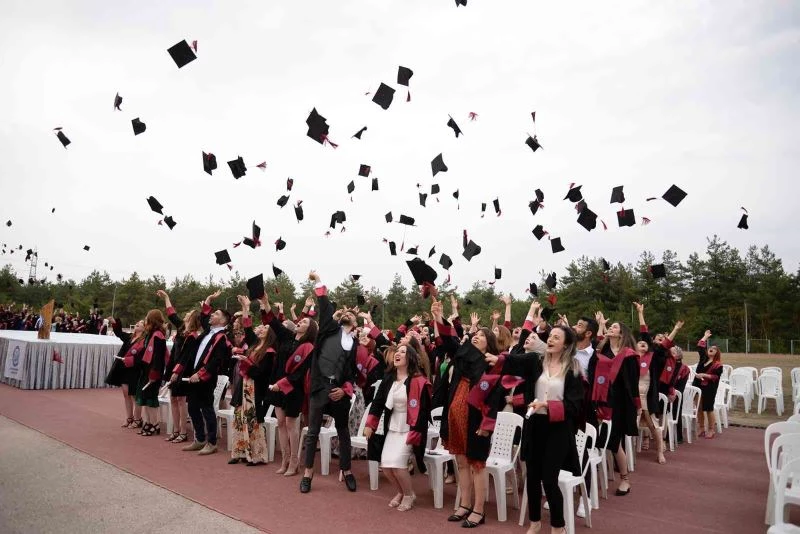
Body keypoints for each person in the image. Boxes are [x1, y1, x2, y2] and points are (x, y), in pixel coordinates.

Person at [485, 325, 584, 534]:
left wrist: (547, 405)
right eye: (550, 336)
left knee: (549, 478)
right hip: (535, 426)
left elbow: (574, 406)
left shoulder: (573, 369)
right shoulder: (535, 361)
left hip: (558, 429)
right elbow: (514, 361)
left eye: (556, 337)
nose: (551, 339)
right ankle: (535, 522)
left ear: (565, 345)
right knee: (532, 477)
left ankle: (558, 526)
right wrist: (498, 360)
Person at [433, 301, 504, 529]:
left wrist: (487, 423)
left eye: (481, 336)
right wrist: (440, 316)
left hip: (476, 420)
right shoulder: (463, 358)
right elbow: (449, 342)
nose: (476, 337)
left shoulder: (491, 365)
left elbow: (495, 398)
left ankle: (478, 510)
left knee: (477, 464)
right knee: (461, 462)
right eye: (475, 335)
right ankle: (464, 504)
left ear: (489, 343)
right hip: (455, 415)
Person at [300, 271, 359, 494]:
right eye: (342, 314)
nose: (346, 316)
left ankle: (347, 470)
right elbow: (324, 304)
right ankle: (308, 473)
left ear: (354, 324)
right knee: (313, 431)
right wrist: (318, 280)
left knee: (343, 431)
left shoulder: (354, 345)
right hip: (319, 387)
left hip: (338, 391)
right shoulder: (328, 329)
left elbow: (352, 374)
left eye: (350, 317)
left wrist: (344, 391)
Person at [364, 344, 432, 512]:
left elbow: (423, 411)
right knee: (386, 467)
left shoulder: (419, 381)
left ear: (409, 358)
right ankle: (401, 492)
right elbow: (378, 403)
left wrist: (416, 433)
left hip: (410, 427)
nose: (397, 354)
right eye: (397, 351)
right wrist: (370, 424)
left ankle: (409, 495)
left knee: (399, 465)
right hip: (393, 426)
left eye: (402, 351)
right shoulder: (389, 378)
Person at [263, 293, 318, 476]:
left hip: (293, 388)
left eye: (304, 323)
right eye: (300, 322)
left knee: (291, 424)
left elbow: (301, 373)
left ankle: (295, 461)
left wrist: (284, 383)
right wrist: (265, 302)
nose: (300, 323)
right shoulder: (287, 337)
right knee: (280, 422)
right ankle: (285, 459)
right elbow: (273, 322)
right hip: (277, 385)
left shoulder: (308, 347)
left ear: (309, 330)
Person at [172, 290, 231, 456]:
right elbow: (205, 316)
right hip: (193, 376)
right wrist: (209, 300)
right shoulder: (208, 332)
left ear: (224, 320)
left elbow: (216, 361)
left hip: (206, 378)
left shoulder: (222, 338)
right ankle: (199, 439)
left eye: (216, 314)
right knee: (192, 408)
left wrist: (201, 374)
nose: (211, 315)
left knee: (206, 409)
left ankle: (211, 442)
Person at [590, 313, 639, 496]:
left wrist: (636, 405)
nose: (612, 328)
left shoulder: (629, 356)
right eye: (611, 327)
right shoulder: (602, 352)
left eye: (615, 327)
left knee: (614, 441)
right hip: (600, 400)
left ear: (622, 334)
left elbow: (633, 384)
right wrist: (600, 325)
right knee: (596, 438)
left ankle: (625, 479)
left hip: (619, 403)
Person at [228, 295, 277, 465]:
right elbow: (248, 330)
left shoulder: (269, 352)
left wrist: (245, 362)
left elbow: (260, 373)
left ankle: (256, 454)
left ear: (270, 333)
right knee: (240, 417)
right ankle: (240, 451)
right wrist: (246, 308)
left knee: (253, 420)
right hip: (245, 386)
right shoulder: (256, 345)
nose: (261, 328)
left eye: (265, 327)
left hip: (256, 389)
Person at [158, 290, 202, 444]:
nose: (186, 315)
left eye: (189, 314)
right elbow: (171, 314)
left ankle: (183, 432)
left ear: (193, 319)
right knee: (173, 399)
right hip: (174, 367)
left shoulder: (193, 336)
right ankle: (175, 430)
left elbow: (186, 357)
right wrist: (167, 298)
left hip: (184, 370)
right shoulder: (182, 328)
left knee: (182, 400)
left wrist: (177, 372)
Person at [106, 317, 145, 428]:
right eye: (137, 322)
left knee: (133, 395)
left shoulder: (144, 340)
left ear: (145, 327)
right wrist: (114, 322)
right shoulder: (129, 337)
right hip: (124, 367)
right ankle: (129, 417)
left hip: (135, 369)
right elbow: (119, 333)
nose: (137, 323)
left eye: (141, 323)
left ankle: (138, 419)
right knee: (125, 394)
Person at [135, 309, 169, 436]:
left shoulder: (158, 335)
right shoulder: (150, 333)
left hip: (154, 371)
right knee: (144, 398)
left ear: (151, 319)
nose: (145, 320)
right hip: (146, 370)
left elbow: (158, 357)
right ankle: (148, 422)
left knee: (151, 399)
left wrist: (154, 373)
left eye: (146, 318)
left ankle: (155, 424)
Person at [694, 330, 723, 439]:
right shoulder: (703, 359)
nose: (712, 348)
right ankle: (701, 427)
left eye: (715, 349)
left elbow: (716, 377)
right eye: (711, 347)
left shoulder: (718, 365)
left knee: (708, 408)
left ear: (717, 353)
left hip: (709, 388)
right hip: (697, 385)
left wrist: (704, 375)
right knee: (699, 408)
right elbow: (700, 347)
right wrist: (705, 336)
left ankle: (711, 429)